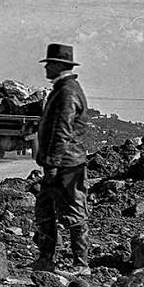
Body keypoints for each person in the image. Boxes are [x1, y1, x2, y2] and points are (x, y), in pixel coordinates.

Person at [33, 42, 90, 274]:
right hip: (62, 161)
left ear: (58, 65)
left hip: (66, 163)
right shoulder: (64, 88)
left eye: (49, 64)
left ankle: (81, 264)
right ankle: (45, 259)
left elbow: (62, 130)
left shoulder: (67, 92)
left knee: (74, 210)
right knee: (44, 207)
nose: (46, 69)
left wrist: (53, 164)